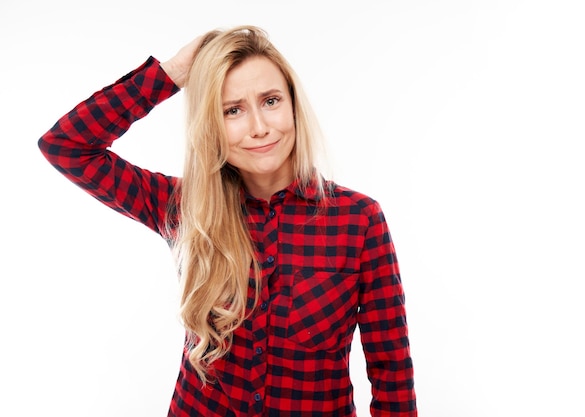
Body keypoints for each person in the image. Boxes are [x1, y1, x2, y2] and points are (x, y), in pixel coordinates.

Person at [38, 25, 417, 417]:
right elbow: (66, 146)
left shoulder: (358, 220)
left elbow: (391, 371)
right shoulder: (185, 206)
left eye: (270, 101)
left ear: (293, 106)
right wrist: (172, 73)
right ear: (211, 125)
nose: (259, 127)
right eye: (232, 110)